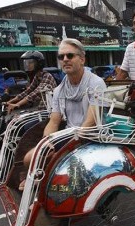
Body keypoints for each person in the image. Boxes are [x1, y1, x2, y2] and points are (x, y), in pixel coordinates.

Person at [20, 39, 106, 189]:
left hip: (91, 137)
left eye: (70, 55)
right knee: (30, 159)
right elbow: (54, 121)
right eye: (61, 57)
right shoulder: (60, 89)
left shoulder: (96, 84)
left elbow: (89, 123)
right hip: (69, 135)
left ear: (82, 59)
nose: (65, 59)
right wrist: (47, 143)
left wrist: (64, 150)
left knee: (54, 165)